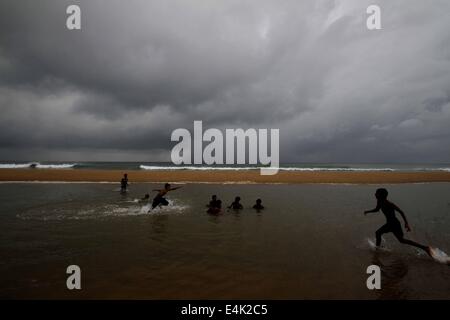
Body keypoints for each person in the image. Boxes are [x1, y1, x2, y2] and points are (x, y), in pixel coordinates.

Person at [364, 188, 431, 256]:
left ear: (381, 196)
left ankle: (377, 249)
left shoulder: (389, 204)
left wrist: (406, 223)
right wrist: (368, 211)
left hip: (394, 224)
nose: (375, 194)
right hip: (390, 223)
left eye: (376, 193)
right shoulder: (379, 201)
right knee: (401, 240)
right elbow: (377, 209)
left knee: (380, 233)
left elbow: (401, 212)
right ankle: (425, 248)